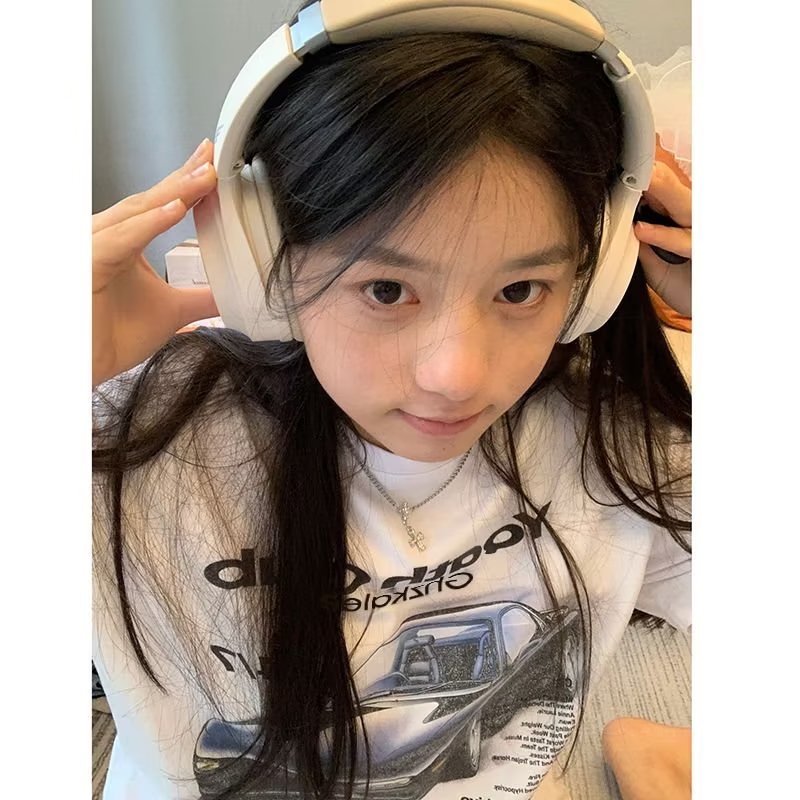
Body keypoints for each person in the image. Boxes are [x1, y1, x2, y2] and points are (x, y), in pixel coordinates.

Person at [92, 3, 692, 799]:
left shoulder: (612, 445)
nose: (456, 375)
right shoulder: (134, 444)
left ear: (596, 278)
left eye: (521, 289)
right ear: (260, 259)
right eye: (385, 288)